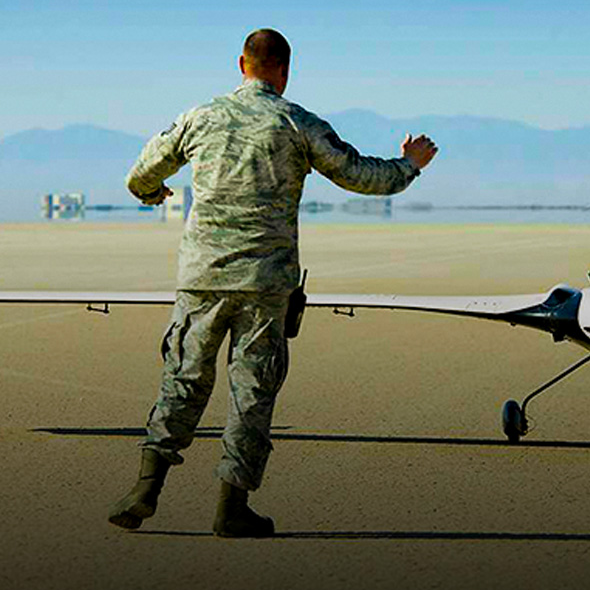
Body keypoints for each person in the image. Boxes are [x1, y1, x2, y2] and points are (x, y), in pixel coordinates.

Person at [108, 28, 438, 538]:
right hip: (266, 285)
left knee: (183, 379)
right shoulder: (296, 122)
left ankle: (144, 490)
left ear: (241, 65)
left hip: (204, 277)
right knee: (252, 392)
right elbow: (360, 176)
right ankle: (231, 509)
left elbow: (141, 173)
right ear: (285, 70)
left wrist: (154, 195)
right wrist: (410, 165)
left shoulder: (200, 117)